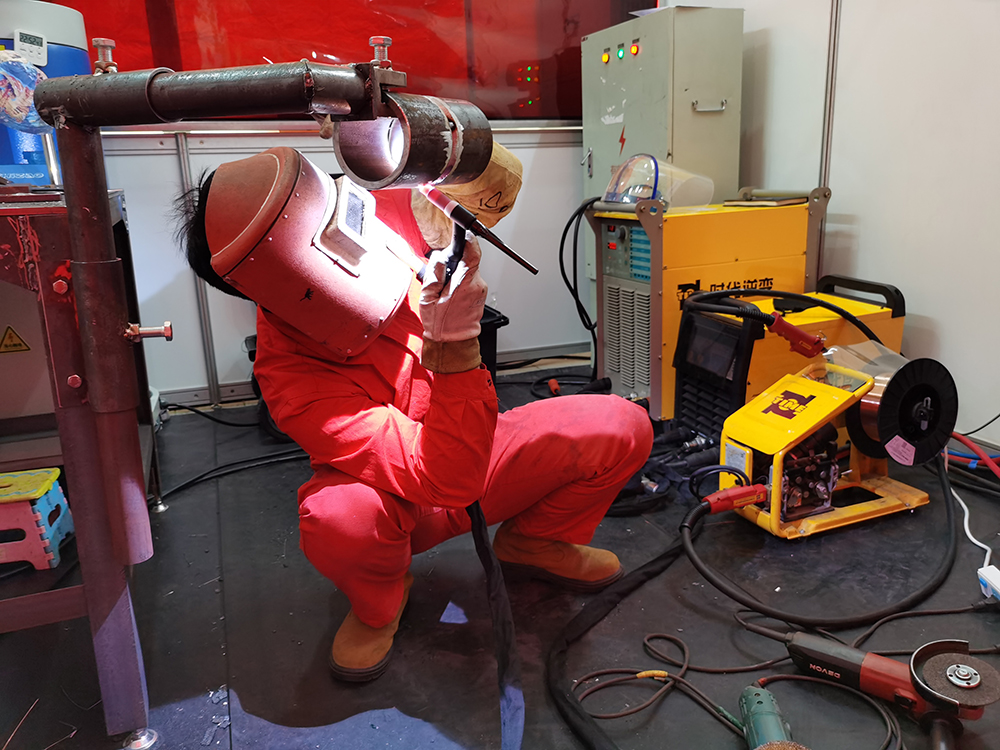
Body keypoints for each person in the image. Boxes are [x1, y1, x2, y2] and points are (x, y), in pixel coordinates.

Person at [177, 143, 653, 682]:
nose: (346, 246)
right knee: (340, 519)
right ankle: (380, 601)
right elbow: (446, 478)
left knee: (621, 425)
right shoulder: (289, 376)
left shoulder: (378, 216)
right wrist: (455, 346)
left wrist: (454, 153)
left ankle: (533, 542)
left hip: (476, 448)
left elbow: (490, 182)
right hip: (401, 498)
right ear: (280, 285)